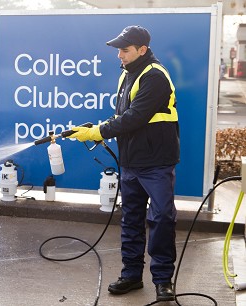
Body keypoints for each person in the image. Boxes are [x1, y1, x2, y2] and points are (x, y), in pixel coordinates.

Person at [67, 25, 179, 302]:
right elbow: (124, 116)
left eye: (125, 50)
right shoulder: (127, 75)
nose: (119, 55)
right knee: (131, 219)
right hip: (131, 160)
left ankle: (163, 279)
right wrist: (101, 126)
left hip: (156, 162)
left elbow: (135, 118)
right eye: (118, 49)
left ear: (142, 50)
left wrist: (96, 132)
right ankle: (131, 275)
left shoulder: (155, 76)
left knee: (162, 217)